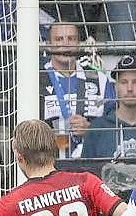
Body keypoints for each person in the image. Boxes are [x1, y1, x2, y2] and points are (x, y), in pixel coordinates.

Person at [40, 22, 115, 159]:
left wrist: (91, 129)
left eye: (71, 38)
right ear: (48, 44)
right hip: (48, 164)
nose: (66, 44)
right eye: (59, 39)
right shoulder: (37, 79)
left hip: (91, 163)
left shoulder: (99, 79)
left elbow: (114, 123)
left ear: (79, 43)